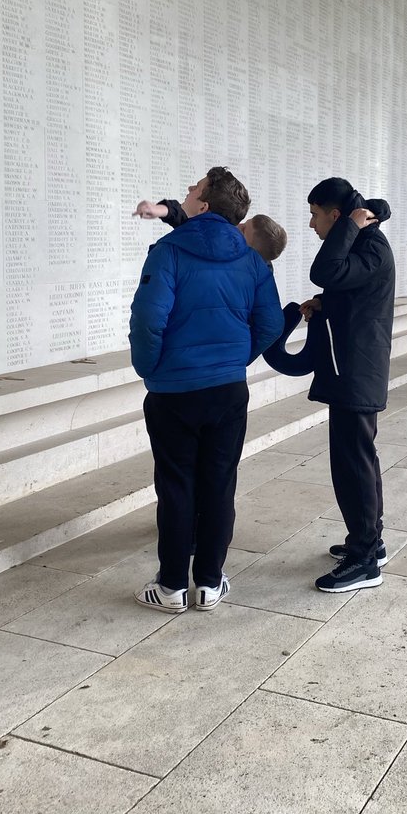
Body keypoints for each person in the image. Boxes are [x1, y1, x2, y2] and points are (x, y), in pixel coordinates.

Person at [129, 167, 284, 613]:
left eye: (192, 188)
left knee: (176, 484)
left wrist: (150, 368)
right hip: (227, 390)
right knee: (219, 483)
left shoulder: (169, 252)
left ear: (203, 204)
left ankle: (173, 585)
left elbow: (147, 318)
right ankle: (210, 584)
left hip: (173, 391)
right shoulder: (252, 261)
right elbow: (270, 323)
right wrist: (235, 360)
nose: (186, 191)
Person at [293, 177, 395, 593]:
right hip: (351, 366)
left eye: (316, 216)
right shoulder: (363, 243)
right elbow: (344, 286)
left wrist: (350, 227)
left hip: (357, 369)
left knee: (353, 463)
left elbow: (325, 269)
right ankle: (369, 541)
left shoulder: (369, 244)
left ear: (336, 215)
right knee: (359, 458)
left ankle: (364, 560)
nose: (312, 224)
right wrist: (325, 304)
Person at [134, 192, 287, 267]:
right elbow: (191, 224)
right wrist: (162, 210)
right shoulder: (220, 241)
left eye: (243, 230)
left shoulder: (257, 280)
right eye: (244, 223)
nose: (237, 226)